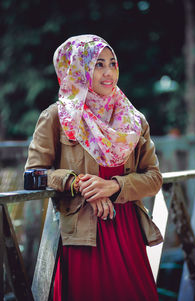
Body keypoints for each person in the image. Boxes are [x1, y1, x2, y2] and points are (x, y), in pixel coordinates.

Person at [25, 34, 163, 301]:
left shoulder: (134, 121)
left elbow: (154, 178)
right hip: (82, 236)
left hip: (127, 231)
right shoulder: (57, 116)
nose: (109, 72)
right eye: (98, 64)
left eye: (113, 63)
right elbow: (33, 175)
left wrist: (113, 186)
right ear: (78, 68)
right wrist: (78, 183)